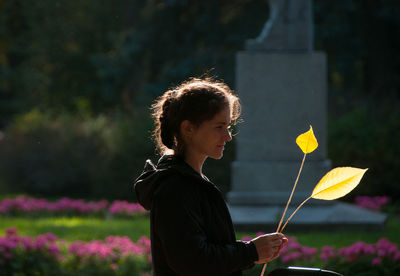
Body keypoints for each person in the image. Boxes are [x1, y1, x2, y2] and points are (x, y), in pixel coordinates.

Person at [134, 77, 287, 276]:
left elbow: (206, 250)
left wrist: (252, 252)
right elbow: (192, 261)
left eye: (229, 127)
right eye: (219, 127)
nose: (228, 136)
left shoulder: (193, 182)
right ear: (188, 128)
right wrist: (250, 252)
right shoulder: (174, 188)